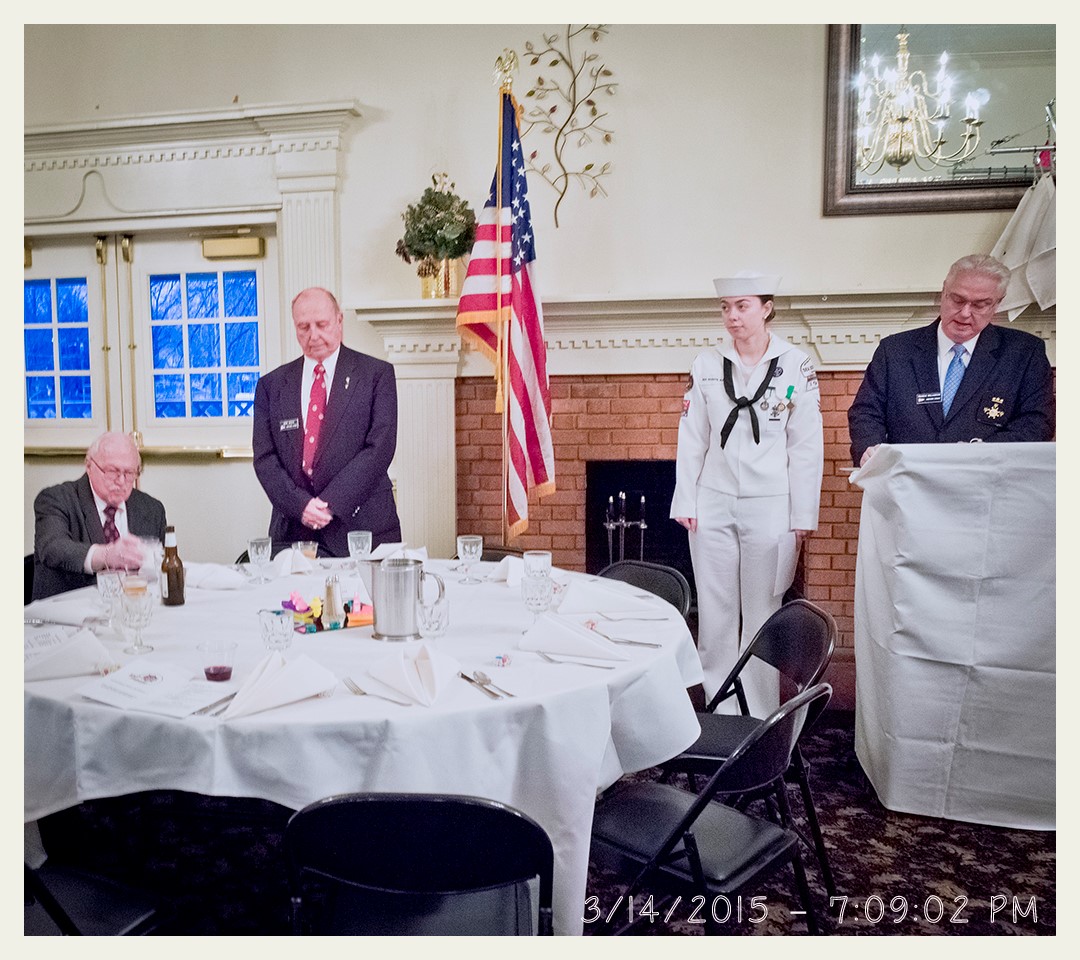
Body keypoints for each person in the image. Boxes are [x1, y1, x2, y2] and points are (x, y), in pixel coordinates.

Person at [671, 274, 824, 715]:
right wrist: (686, 499)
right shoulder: (707, 363)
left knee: (762, 612)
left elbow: (806, 444)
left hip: (771, 504)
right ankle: (720, 708)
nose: (732, 316)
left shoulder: (796, 364)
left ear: (766, 308)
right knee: (715, 612)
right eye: (725, 307)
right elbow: (692, 437)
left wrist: (803, 515)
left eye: (742, 306)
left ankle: (758, 712)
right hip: (713, 500)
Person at [848, 253, 1055, 466]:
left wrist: (981, 453)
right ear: (944, 293)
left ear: (997, 304)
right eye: (958, 300)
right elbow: (866, 413)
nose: (965, 313)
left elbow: (1037, 422)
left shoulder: (1024, 353)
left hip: (987, 477)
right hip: (906, 478)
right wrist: (869, 450)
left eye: (980, 305)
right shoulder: (894, 351)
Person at [252, 286, 401, 557]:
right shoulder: (271, 386)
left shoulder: (376, 375)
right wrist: (301, 506)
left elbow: (380, 449)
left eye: (322, 325)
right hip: (295, 532)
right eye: (304, 327)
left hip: (362, 529)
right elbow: (265, 458)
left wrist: (329, 504)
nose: (313, 335)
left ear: (339, 321)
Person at [32, 431, 167, 600]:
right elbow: (53, 548)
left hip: (132, 607)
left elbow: (161, 567)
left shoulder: (152, 509)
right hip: (69, 609)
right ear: (89, 466)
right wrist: (106, 555)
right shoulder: (57, 499)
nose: (121, 481)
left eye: (129, 473)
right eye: (112, 471)